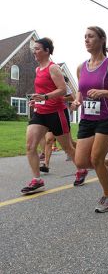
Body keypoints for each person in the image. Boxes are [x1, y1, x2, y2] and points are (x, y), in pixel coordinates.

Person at [71, 26, 108, 213]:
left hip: (107, 116)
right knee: (81, 162)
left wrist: (104, 92)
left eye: (91, 36)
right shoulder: (81, 67)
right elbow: (81, 90)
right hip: (87, 117)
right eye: (85, 37)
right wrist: (76, 101)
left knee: (95, 159)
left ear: (102, 40)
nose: (86, 40)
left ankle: (107, 196)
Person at [21, 38, 87, 194]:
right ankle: (37, 180)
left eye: (37, 49)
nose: (34, 51)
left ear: (46, 51)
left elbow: (63, 90)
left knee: (68, 148)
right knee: (30, 146)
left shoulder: (54, 68)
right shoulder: (38, 70)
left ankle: (81, 169)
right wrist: (36, 101)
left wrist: (44, 97)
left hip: (57, 113)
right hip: (40, 113)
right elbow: (41, 92)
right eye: (34, 49)